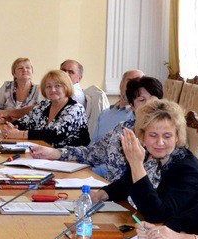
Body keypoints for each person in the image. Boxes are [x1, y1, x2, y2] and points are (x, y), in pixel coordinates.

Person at [91, 99, 198, 222]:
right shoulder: (150, 156)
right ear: (142, 136)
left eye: (167, 136)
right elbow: (126, 184)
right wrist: (102, 194)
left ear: (177, 137)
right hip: (145, 225)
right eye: (153, 135)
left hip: (178, 231)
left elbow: (158, 215)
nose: (160, 142)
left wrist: (137, 165)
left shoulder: (189, 170)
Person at [31, 76, 163, 179]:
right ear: (132, 105)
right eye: (141, 100)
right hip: (108, 191)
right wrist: (55, 153)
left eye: (153, 99)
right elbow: (93, 153)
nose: (149, 104)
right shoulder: (123, 129)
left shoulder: (164, 136)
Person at [0, 70, 89, 148]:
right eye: (48, 86)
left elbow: (55, 134)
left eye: (57, 86)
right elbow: (25, 122)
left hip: (68, 157)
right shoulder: (44, 105)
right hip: (42, 153)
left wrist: (20, 134)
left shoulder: (75, 109)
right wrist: (11, 127)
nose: (52, 90)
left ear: (66, 87)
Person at [93, 69, 144, 140]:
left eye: (138, 83)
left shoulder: (142, 117)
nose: (133, 86)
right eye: (129, 81)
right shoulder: (104, 114)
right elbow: (93, 143)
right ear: (121, 84)